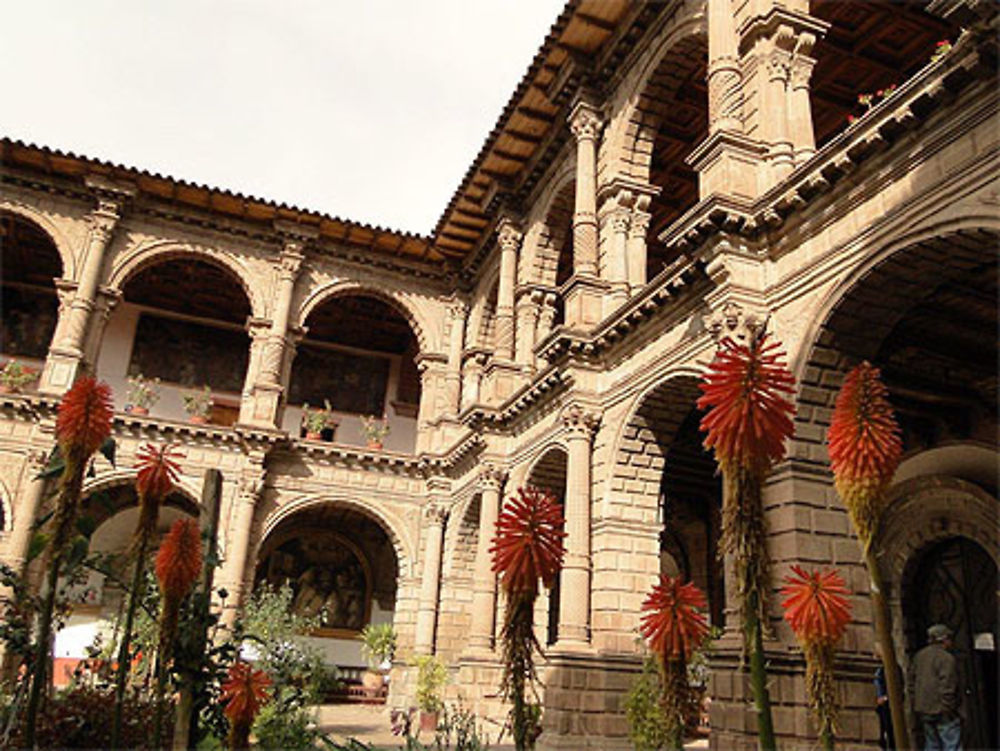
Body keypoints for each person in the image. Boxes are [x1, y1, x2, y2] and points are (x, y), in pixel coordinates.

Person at [911, 623, 962, 751]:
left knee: (932, 743)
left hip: (923, 708)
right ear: (944, 639)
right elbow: (948, 684)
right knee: (951, 743)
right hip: (942, 709)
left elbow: (911, 681)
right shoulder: (946, 658)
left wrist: (916, 702)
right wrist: (948, 706)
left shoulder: (919, 656)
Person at [874, 664, 895, 750]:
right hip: (881, 708)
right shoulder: (879, 670)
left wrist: (885, 698)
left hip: (887, 707)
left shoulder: (892, 669)